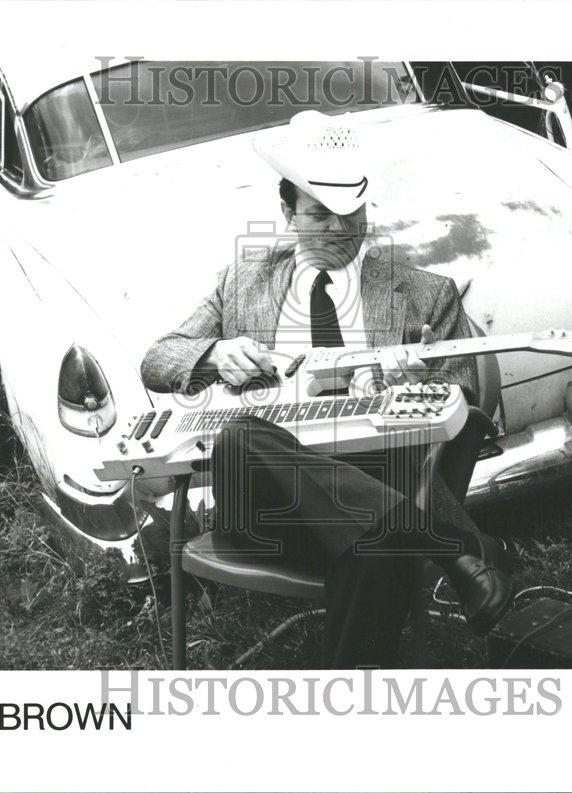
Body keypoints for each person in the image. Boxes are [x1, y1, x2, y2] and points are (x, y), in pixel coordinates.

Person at [141, 111, 513, 667]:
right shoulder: (243, 281)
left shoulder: (421, 294)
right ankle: (451, 549)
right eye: (320, 214)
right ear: (287, 210)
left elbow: (469, 398)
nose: (339, 229)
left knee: (373, 544)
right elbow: (157, 360)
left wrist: (410, 389)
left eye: (351, 211)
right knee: (241, 437)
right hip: (267, 511)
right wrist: (217, 354)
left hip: (375, 493)